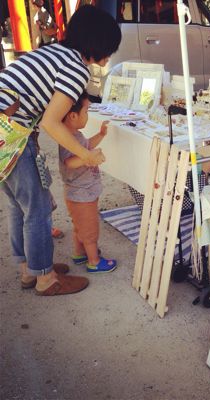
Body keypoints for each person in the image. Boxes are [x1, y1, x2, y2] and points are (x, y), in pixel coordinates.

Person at [0, 5, 121, 295]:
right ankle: (45, 278)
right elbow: (54, 122)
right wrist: (88, 155)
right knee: (38, 208)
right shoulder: (75, 67)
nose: (108, 56)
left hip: (8, 130)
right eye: (109, 48)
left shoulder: (54, 52)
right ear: (97, 42)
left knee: (19, 205)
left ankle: (30, 269)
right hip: (11, 132)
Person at [59, 91, 117, 273]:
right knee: (90, 230)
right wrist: (88, 158)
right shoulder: (67, 139)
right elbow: (69, 161)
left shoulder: (74, 134)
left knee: (80, 226)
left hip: (83, 192)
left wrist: (100, 135)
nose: (88, 116)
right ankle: (94, 261)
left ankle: (79, 253)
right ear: (73, 115)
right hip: (81, 194)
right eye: (86, 112)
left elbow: (85, 148)